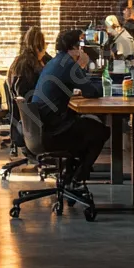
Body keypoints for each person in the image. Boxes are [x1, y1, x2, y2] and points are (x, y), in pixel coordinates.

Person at [30, 29, 109, 184]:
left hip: (41, 128)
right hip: (54, 131)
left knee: (86, 126)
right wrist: (83, 67)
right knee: (101, 132)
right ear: (74, 48)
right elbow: (92, 92)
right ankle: (78, 177)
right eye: (80, 45)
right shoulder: (68, 65)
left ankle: (70, 174)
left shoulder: (55, 61)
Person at [8, 26, 48, 99]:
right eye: (45, 43)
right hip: (33, 107)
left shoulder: (20, 60)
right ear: (38, 46)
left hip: (22, 108)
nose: (46, 46)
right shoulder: (31, 65)